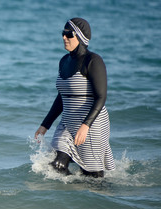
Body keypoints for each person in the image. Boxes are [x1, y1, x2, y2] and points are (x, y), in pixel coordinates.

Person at [35, 18, 115, 178]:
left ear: (80, 36)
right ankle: (68, 198)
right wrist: (45, 125)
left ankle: (104, 199)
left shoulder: (93, 61)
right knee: (56, 165)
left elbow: (101, 97)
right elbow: (61, 97)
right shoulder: (64, 61)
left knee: (93, 178)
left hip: (92, 124)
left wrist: (86, 125)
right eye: (63, 34)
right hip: (67, 123)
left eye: (68, 34)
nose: (64, 37)